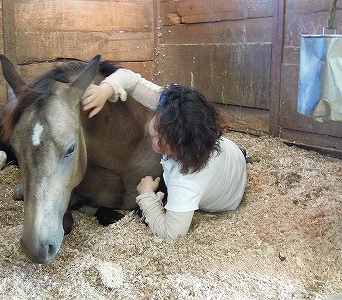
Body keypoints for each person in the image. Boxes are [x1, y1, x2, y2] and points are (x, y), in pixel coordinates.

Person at [82, 68, 247, 240]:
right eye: (157, 129)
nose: (153, 136)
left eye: (163, 141)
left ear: (184, 150)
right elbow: (130, 79)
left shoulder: (187, 180)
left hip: (229, 200)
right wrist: (105, 89)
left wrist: (146, 195)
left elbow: (171, 233)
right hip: (232, 154)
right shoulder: (171, 108)